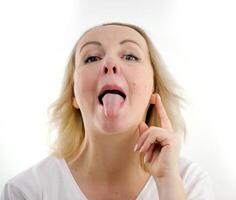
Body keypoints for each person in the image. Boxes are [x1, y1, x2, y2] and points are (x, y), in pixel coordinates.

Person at [0, 22, 214, 200]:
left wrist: (168, 184)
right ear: (73, 95)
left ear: (154, 88)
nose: (110, 63)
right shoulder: (26, 191)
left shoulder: (188, 182)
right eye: (92, 58)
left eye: (130, 56)